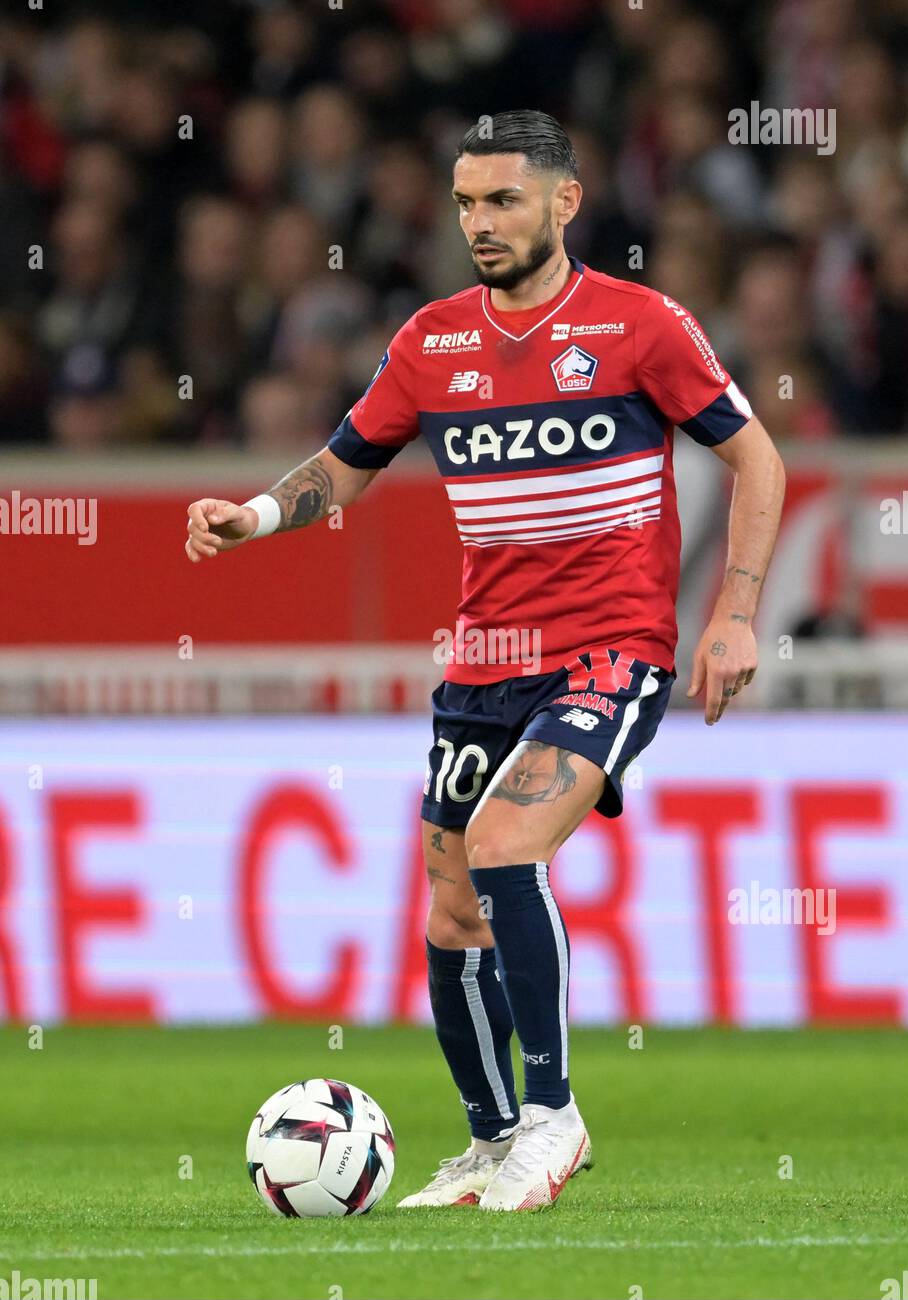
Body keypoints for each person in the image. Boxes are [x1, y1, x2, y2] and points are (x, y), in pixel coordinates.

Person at [185, 110, 786, 1212]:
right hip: (482, 662)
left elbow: (755, 459)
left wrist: (732, 614)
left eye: (502, 199)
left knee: (506, 846)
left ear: (564, 200)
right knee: (448, 906)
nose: (479, 222)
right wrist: (258, 513)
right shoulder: (430, 342)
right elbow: (346, 465)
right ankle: (487, 1140)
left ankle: (553, 1121)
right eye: (464, 202)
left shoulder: (638, 325)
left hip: (610, 651)